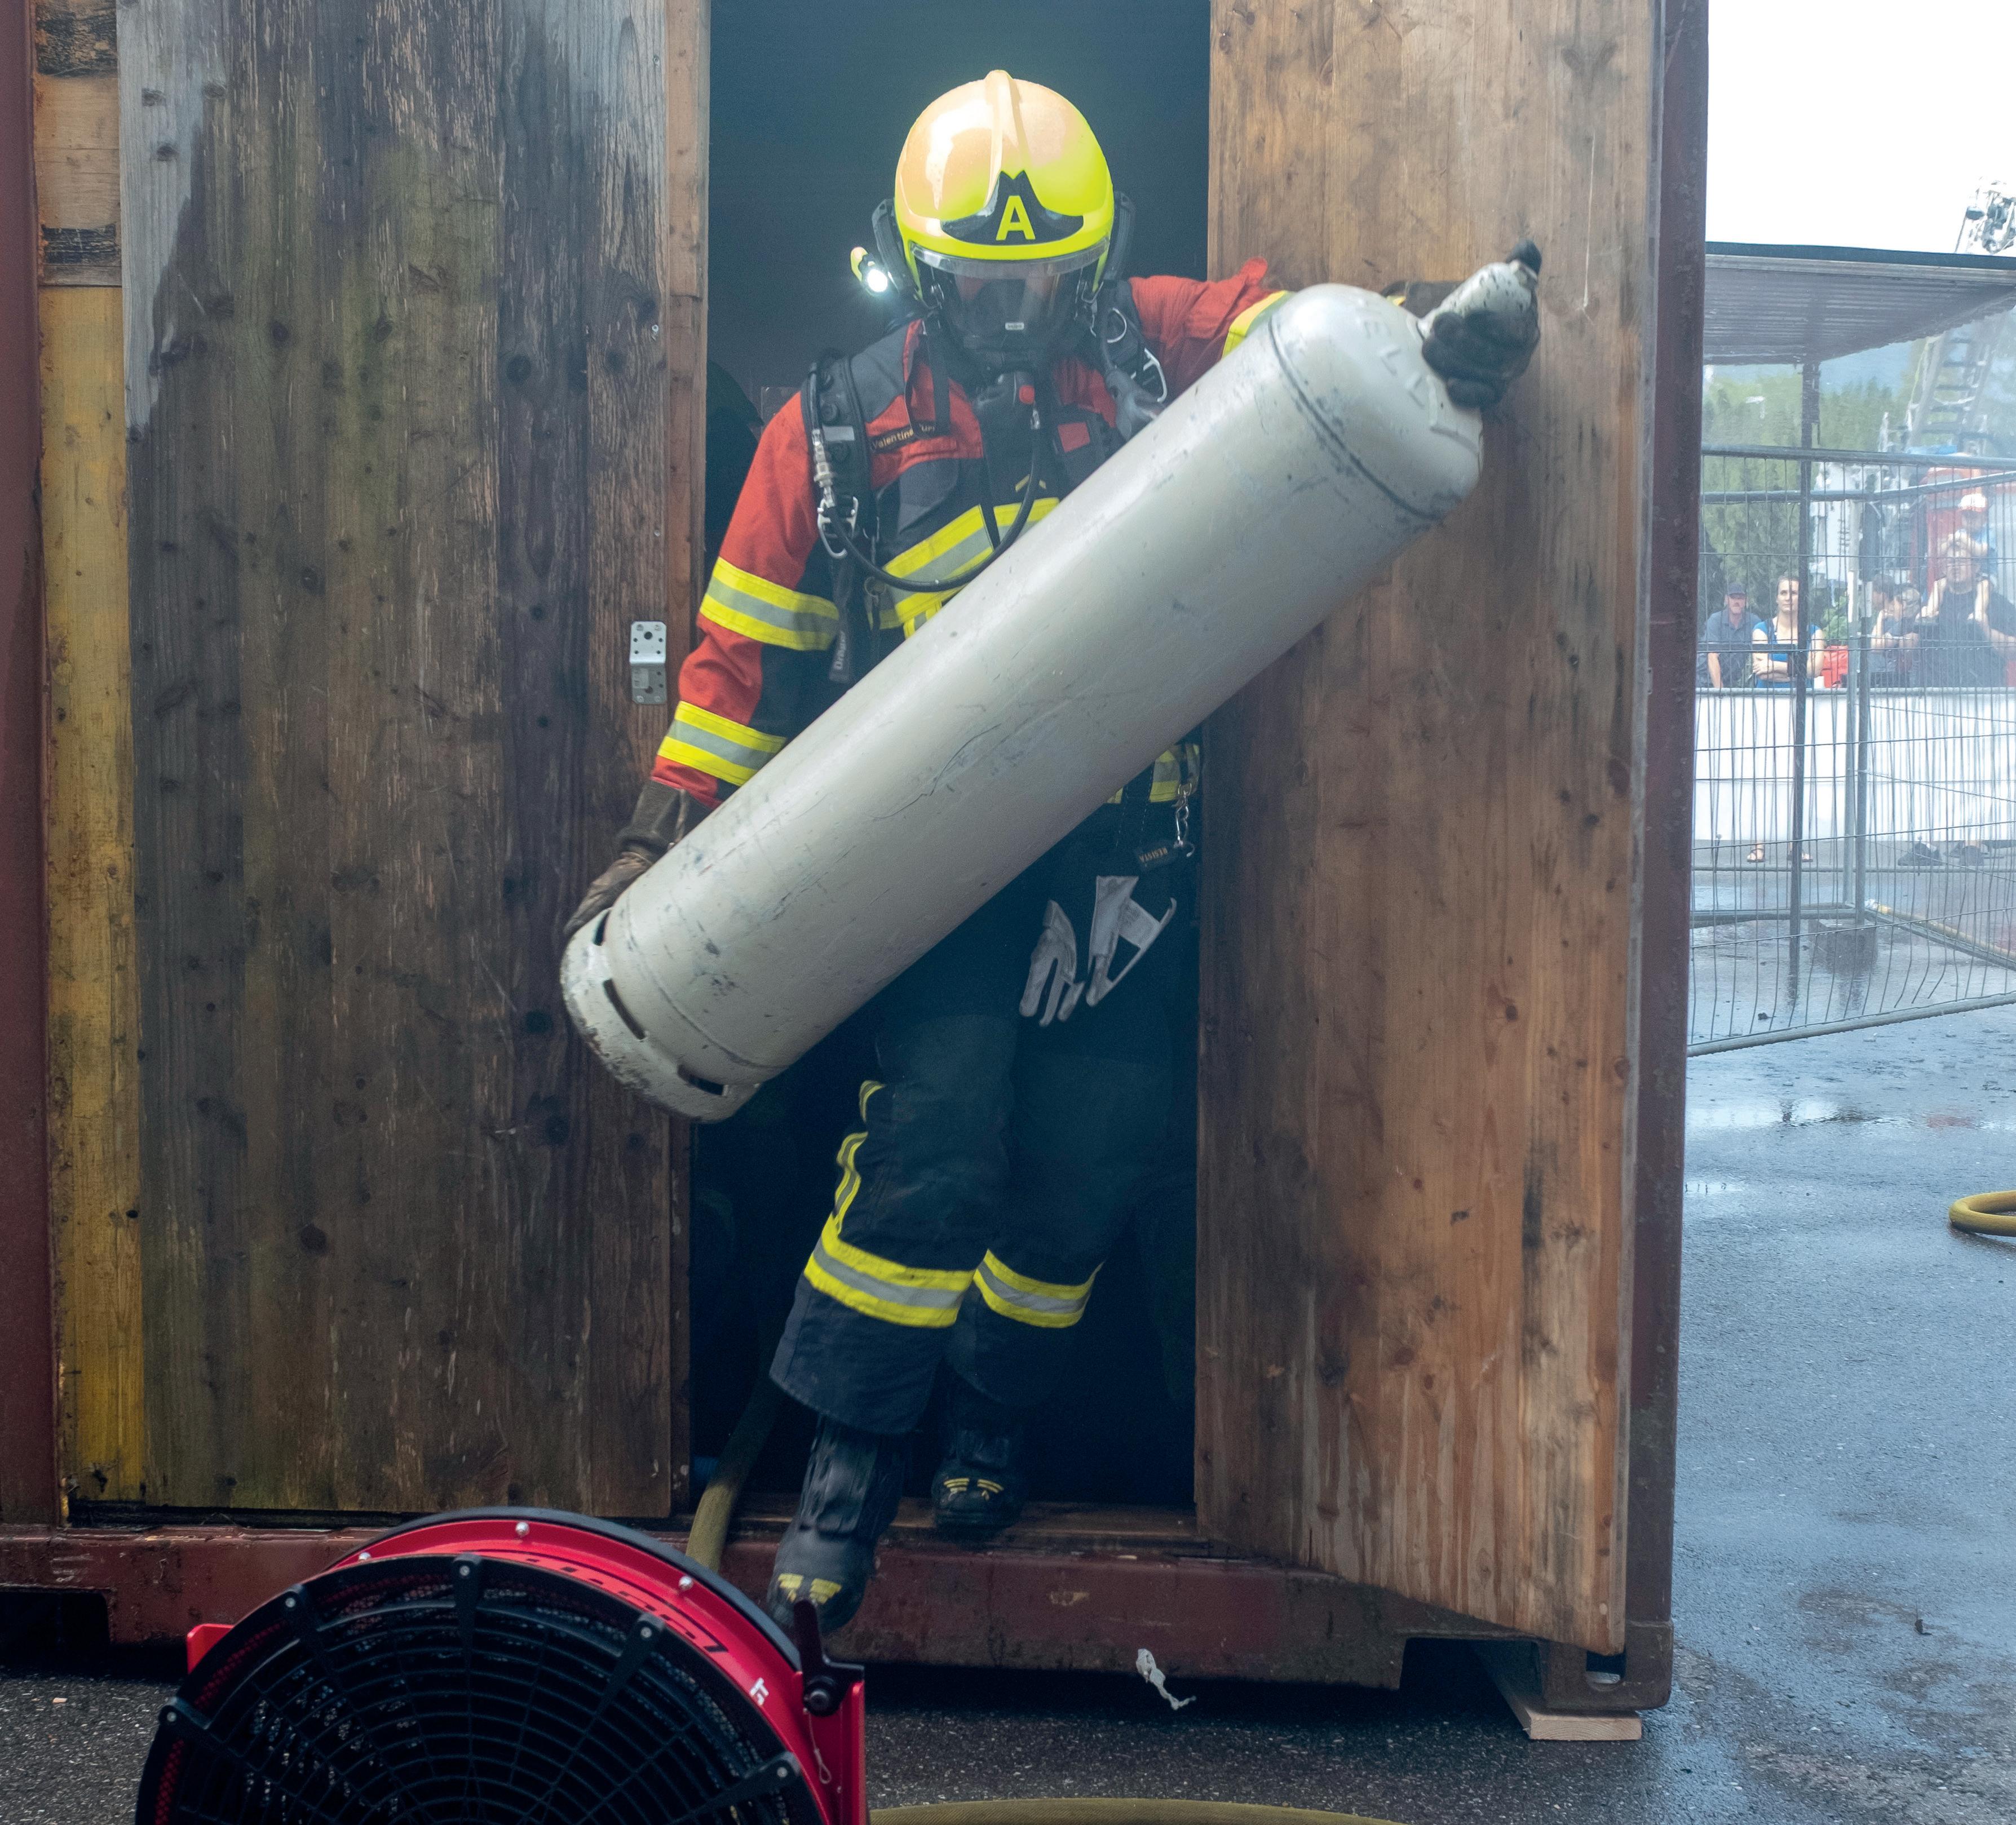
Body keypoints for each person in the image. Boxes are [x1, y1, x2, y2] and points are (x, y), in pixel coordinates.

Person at [563, 71, 1541, 1634]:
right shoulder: (831, 424)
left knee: (1092, 1157)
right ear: (919, 261)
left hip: (1125, 868)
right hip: (935, 863)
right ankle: (847, 1461)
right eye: (982, 277)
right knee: (930, 1146)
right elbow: (742, 659)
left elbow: (1301, 346)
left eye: (1044, 275)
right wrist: (655, 838)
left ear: (1094, 259)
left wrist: (1436, 347)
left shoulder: (1155, 343)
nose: (1016, 308)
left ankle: (991, 1407)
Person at [1902, 532, 2016, 689]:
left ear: (1976, 567)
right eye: (1951, 562)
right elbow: (1907, 646)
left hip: (1984, 696)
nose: (1955, 566)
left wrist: (1986, 631)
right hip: (1935, 696)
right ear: (1943, 568)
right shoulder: (1930, 605)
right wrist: (1915, 630)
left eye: (1961, 561)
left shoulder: (1996, 603)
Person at [1750, 574, 1824, 689]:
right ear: (1777, 598)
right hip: (1766, 701)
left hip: (1803, 702)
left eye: (1794, 593)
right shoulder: (1761, 630)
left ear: (1802, 598)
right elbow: (1763, 674)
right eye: (1783, 593)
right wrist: (1801, 673)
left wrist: (1774, 666)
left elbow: (1815, 670)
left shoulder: (1814, 633)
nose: (1788, 598)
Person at [1697, 586, 1759, 689]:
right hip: (1702, 681)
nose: (1737, 601)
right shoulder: (1716, 620)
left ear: (1746, 601)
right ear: (1726, 600)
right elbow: (1712, 656)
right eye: (1733, 598)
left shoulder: (1754, 621)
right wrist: (1721, 693)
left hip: (1729, 683)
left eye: (1740, 598)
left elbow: (1761, 651)